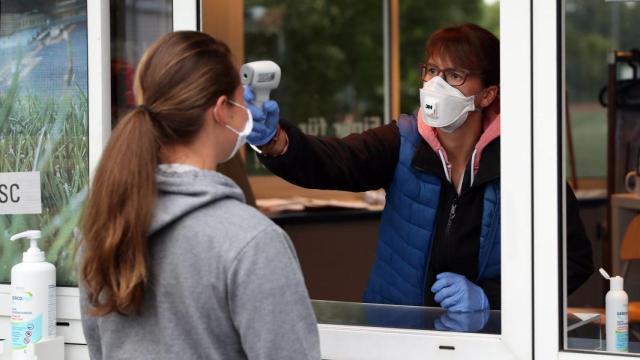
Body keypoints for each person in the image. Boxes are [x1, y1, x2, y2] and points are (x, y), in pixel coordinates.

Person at [244, 23, 594, 312]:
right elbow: (332, 161)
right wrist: (276, 140)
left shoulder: (524, 161)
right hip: (399, 333)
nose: (436, 84)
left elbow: (573, 261)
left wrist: (492, 298)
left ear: (487, 95)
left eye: (454, 74)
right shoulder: (403, 142)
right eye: (431, 70)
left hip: (492, 340)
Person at [78, 31, 320, 360]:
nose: (246, 111)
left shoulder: (104, 225)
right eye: (240, 100)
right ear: (221, 110)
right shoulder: (252, 241)